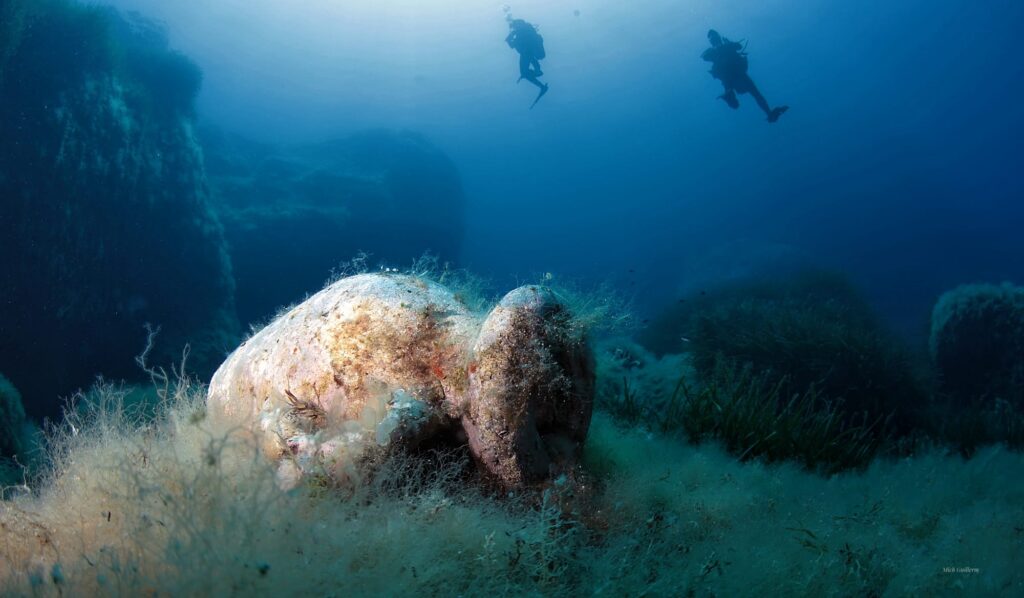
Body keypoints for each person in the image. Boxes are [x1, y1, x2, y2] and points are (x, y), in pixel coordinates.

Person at [701, 29, 788, 123]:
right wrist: (721, 48)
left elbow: (738, 46)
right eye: (713, 38)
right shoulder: (714, 51)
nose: (715, 39)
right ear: (712, 41)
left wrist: (728, 44)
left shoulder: (726, 46)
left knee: (755, 94)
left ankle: (769, 113)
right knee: (748, 97)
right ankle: (767, 113)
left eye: (715, 37)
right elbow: (704, 57)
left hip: (737, 75)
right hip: (730, 77)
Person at [506, 18, 548, 108]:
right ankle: (537, 74)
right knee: (524, 72)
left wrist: (509, 38)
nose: (514, 28)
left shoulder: (522, 32)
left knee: (524, 73)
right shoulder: (525, 31)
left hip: (526, 53)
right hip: (527, 53)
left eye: (514, 27)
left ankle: (539, 80)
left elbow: (513, 45)